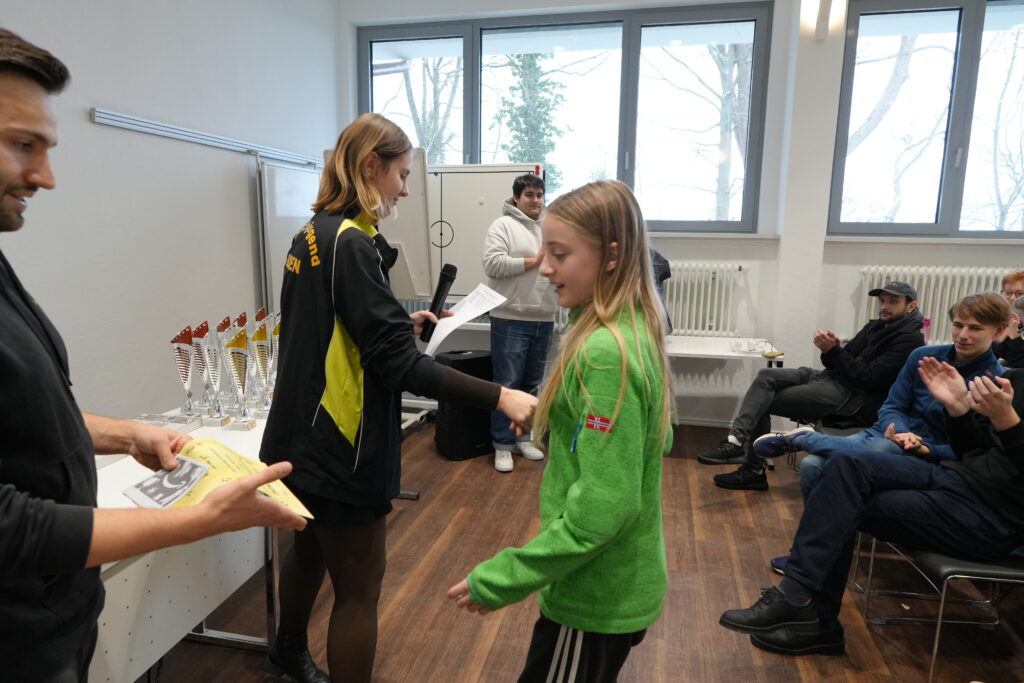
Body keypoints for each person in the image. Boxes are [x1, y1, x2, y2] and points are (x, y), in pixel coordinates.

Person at [0, 28, 306, 682]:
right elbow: (8, 526)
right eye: (22, 144)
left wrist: (123, 433)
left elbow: (25, 419)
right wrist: (195, 521)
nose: (45, 176)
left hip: (56, 620)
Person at [259, 113, 538, 683]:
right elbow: (404, 368)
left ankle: (285, 652)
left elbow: (329, 326)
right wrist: (501, 396)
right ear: (371, 166)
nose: (405, 190)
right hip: (343, 442)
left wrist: (395, 323)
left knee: (309, 549)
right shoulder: (353, 244)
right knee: (359, 589)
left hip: (298, 434)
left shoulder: (313, 232)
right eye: (402, 175)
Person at [447, 180, 674, 682]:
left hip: (593, 592)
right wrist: (557, 416)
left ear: (611, 256)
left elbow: (603, 511)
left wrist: (505, 577)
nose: (545, 267)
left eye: (560, 254)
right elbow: (646, 439)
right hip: (614, 580)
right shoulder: (631, 328)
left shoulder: (605, 351)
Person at [719, 359, 1024, 657]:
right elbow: (971, 450)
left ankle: (809, 611)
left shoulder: (1006, 384)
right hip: (954, 477)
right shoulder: (1017, 380)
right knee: (846, 465)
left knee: (840, 505)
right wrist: (957, 409)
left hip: (993, 517)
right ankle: (804, 606)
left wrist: (1008, 422)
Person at [755, 292, 1010, 503]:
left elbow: (976, 450)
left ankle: (808, 439)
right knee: (812, 466)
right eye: (958, 325)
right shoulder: (923, 356)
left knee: (882, 449)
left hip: (931, 455)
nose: (963, 335)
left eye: (975, 328)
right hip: (886, 432)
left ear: (998, 332)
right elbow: (893, 405)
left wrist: (924, 448)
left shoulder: (995, 384)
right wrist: (900, 430)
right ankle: (825, 539)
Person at [699, 281, 924, 492]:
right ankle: (736, 441)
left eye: (893, 301)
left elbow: (869, 378)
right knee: (766, 375)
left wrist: (834, 352)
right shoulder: (874, 326)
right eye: (882, 300)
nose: (884, 306)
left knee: (762, 401)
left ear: (910, 306)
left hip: (852, 397)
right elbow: (841, 360)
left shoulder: (910, 339)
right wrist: (831, 350)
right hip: (830, 378)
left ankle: (752, 470)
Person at [482, 173, 558, 472]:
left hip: (545, 317)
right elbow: (492, 264)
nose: (535, 200)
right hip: (510, 317)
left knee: (532, 385)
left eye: (539, 195)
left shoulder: (551, 227)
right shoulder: (502, 225)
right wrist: (535, 260)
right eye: (529, 195)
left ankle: (523, 438)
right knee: (507, 386)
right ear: (516, 197)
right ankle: (502, 445)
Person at [992, 269, 1024, 367]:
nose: (1013, 298)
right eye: (1008, 293)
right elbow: (988, 357)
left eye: (1020, 293)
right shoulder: (1005, 318)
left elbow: (1020, 364)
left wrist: (1014, 336)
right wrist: (999, 339)